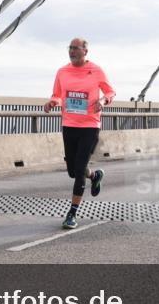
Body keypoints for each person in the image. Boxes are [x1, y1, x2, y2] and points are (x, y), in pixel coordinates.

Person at [43, 38, 116, 229]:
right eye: (70, 48)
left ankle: (71, 214)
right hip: (69, 125)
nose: (72, 51)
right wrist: (52, 102)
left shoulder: (96, 70)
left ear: (85, 51)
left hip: (90, 126)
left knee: (79, 169)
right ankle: (94, 176)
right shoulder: (62, 71)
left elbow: (110, 92)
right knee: (73, 171)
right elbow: (57, 95)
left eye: (75, 48)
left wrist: (103, 101)